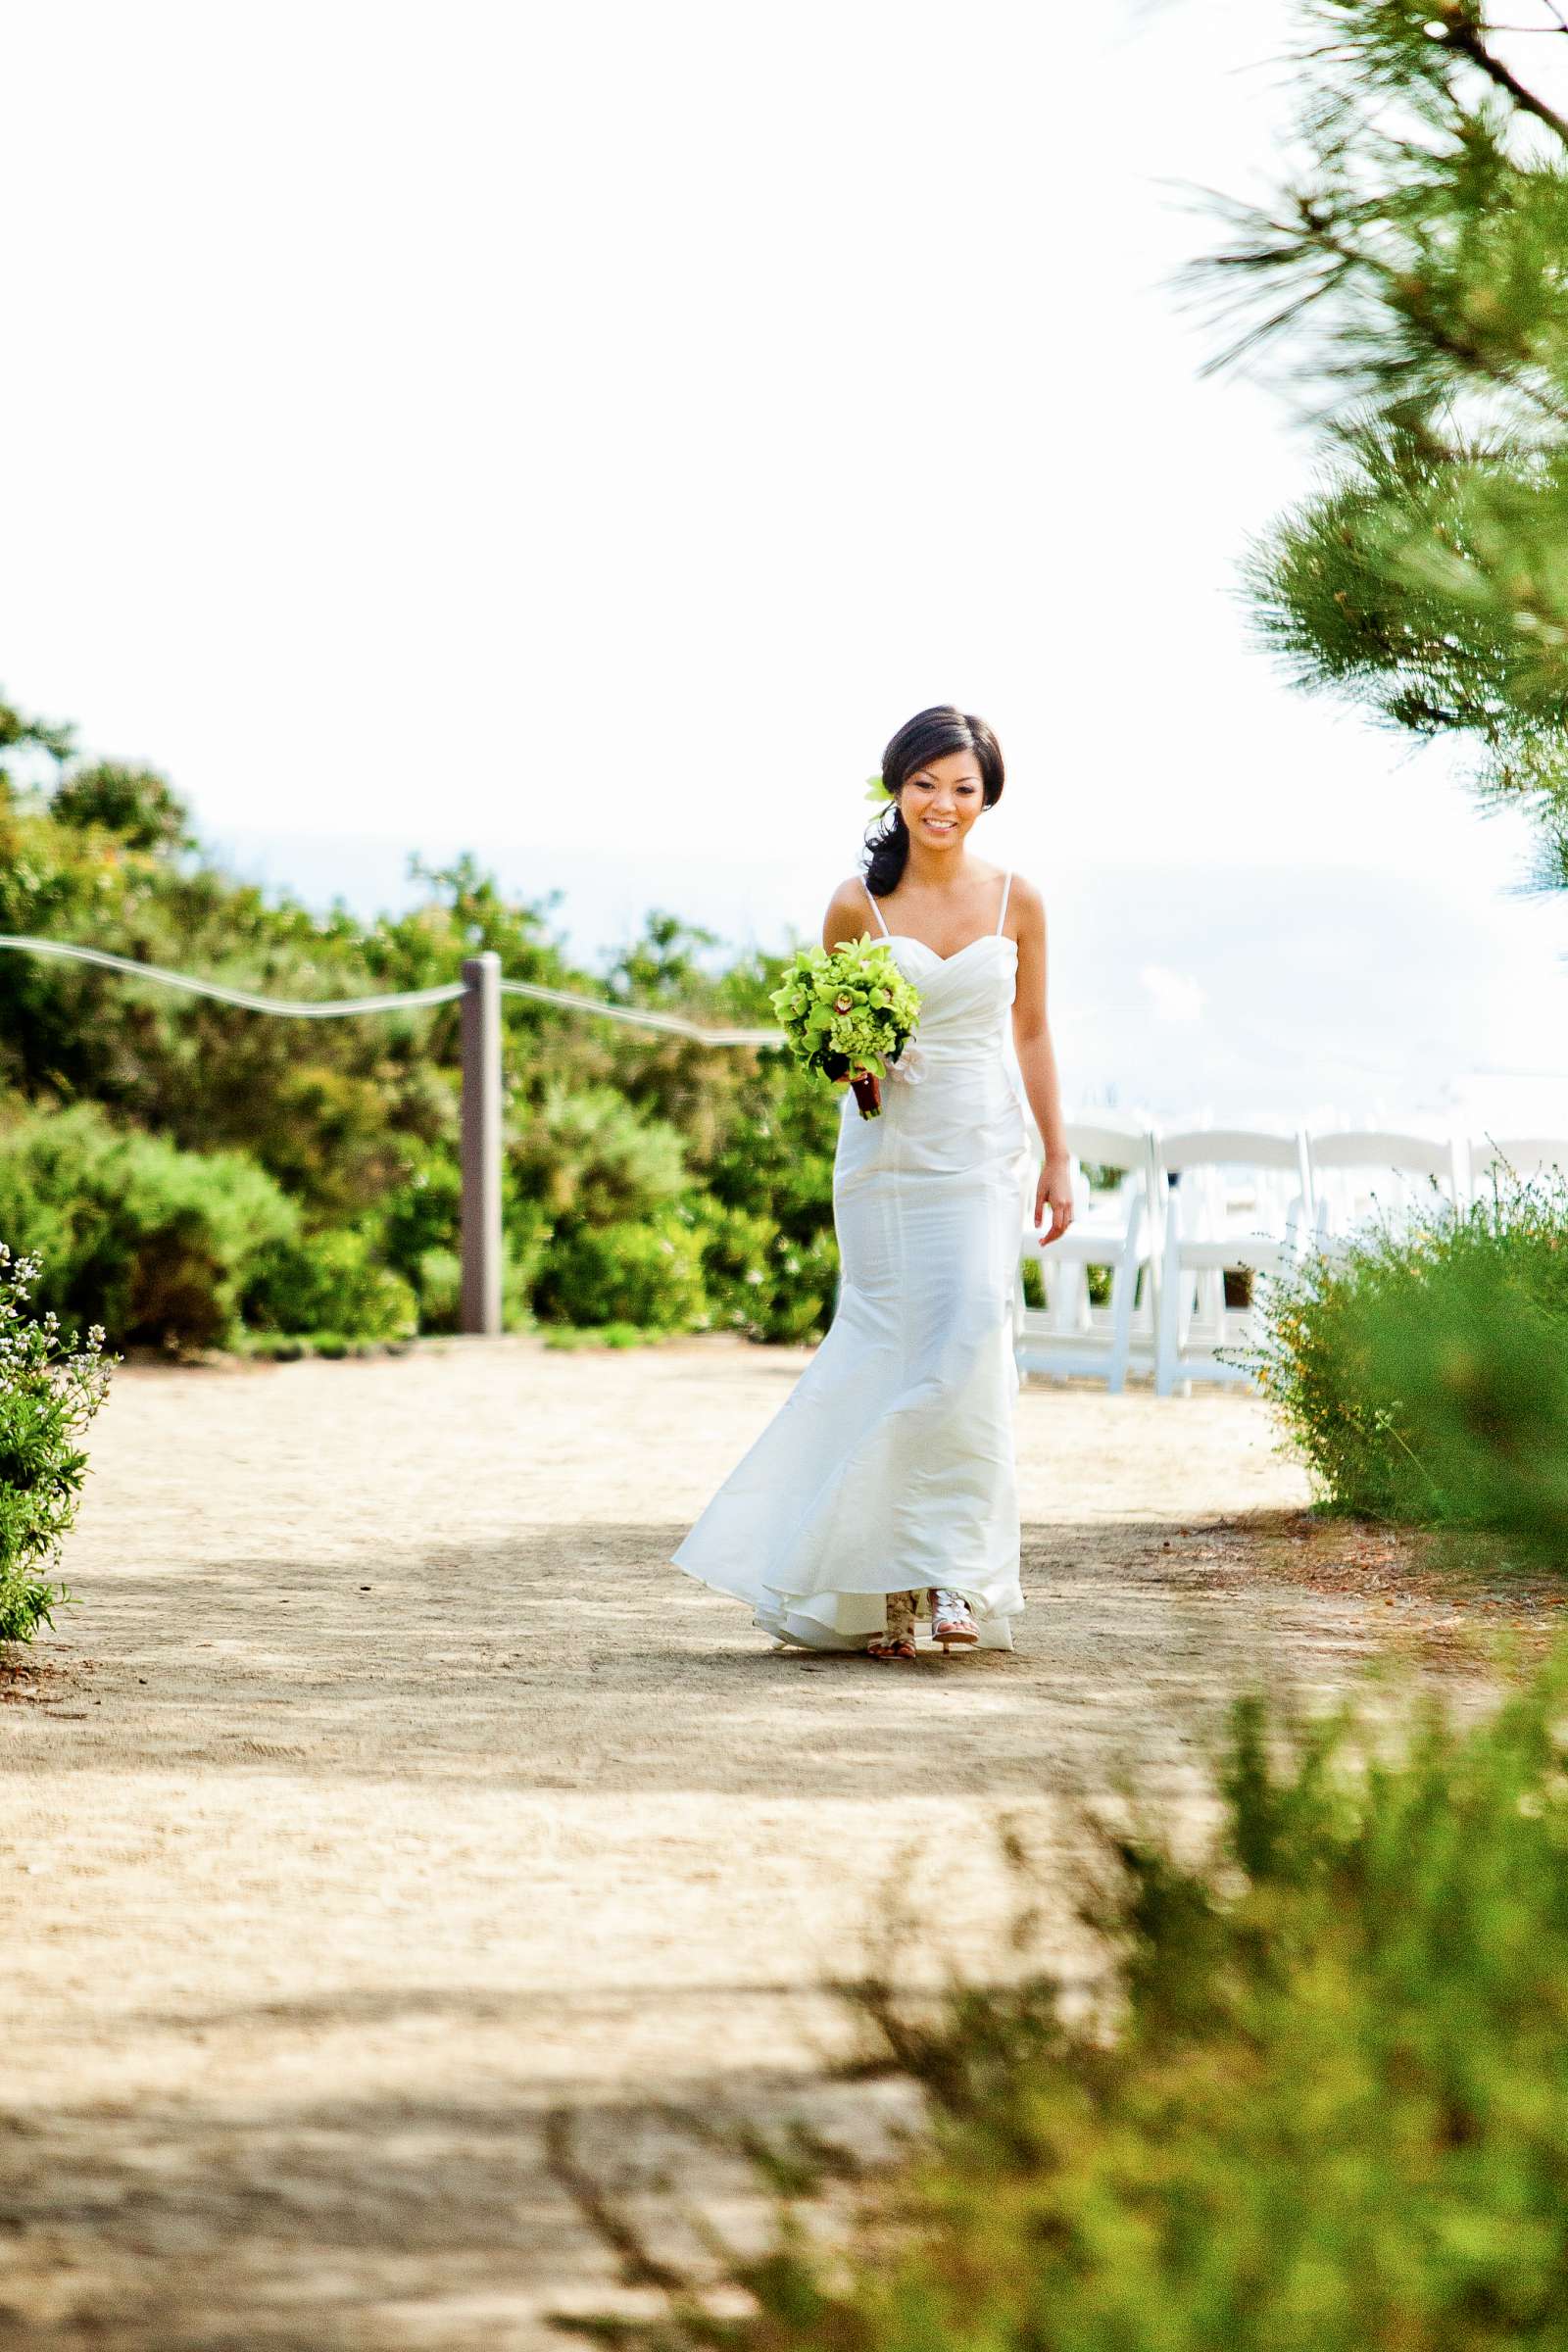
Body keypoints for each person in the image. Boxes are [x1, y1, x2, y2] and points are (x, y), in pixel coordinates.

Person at [670, 705, 1072, 1659]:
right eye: (926, 783)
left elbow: (1032, 1031)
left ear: (986, 799)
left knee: (973, 1333)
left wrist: (1058, 1155)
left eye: (963, 788)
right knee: (890, 1353)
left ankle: (954, 1579)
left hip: (979, 1149)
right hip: (886, 1159)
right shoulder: (857, 904)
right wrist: (854, 1061)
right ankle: (885, 1586)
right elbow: (839, 1043)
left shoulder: (1019, 900)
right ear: (896, 788)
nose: (943, 803)